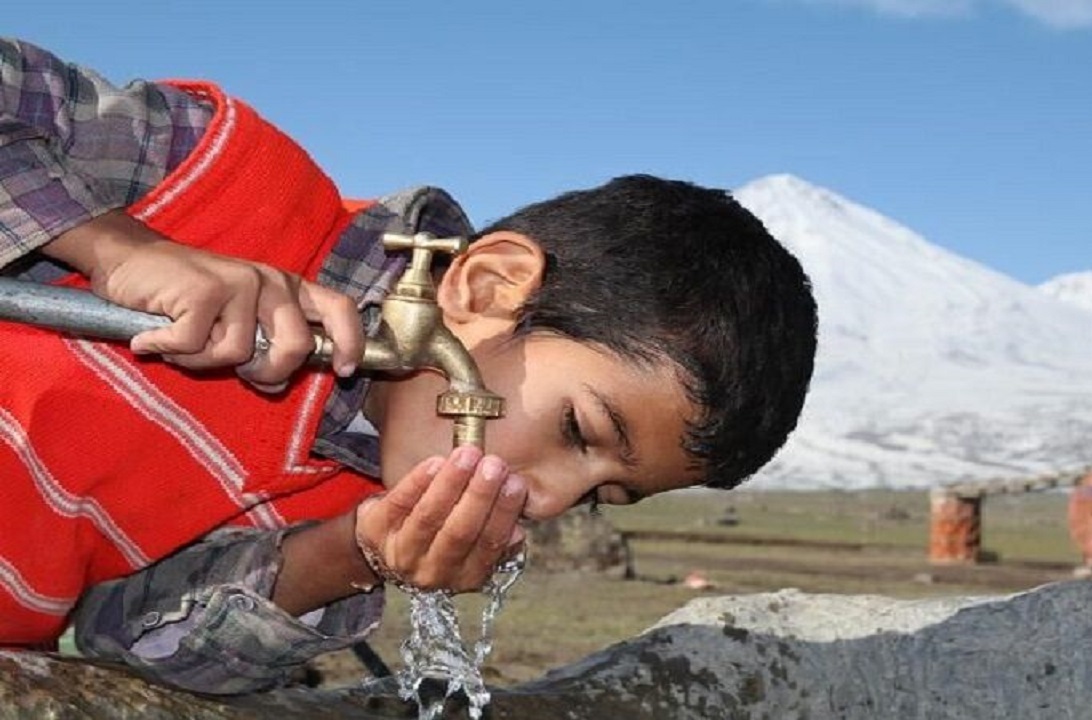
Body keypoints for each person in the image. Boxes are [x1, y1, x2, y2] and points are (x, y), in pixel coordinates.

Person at [0, 38, 817, 693]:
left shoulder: (350, 499)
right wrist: (118, 247)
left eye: (601, 497)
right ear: (488, 285)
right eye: (579, 430)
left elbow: (131, 644)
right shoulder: (212, 182)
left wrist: (352, 553)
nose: (550, 500)